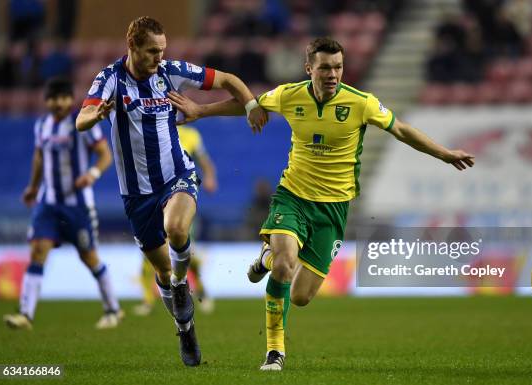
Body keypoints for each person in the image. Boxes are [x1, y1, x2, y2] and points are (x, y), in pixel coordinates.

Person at [168, 37, 475, 371]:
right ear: (309, 68)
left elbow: (400, 129)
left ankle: (266, 259)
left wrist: (444, 154)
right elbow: (250, 106)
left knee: (300, 296)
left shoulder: (362, 103)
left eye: (338, 67)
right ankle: (275, 350)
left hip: (333, 209)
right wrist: (201, 110)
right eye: (325, 67)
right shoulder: (289, 95)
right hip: (293, 196)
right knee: (286, 263)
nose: (333, 74)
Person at [75, 16, 267, 366]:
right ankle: (185, 328)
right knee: (160, 272)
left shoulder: (171, 71)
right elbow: (81, 119)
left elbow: (227, 80)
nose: (158, 58)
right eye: (151, 51)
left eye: (162, 50)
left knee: (177, 229)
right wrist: (98, 115)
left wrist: (251, 105)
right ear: (131, 46)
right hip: (136, 194)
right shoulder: (109, 79)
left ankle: (182, 283)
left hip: (176, 174)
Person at [3, 77, 120, 330]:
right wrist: (33, 187)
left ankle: (113, 309)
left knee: (89, 257)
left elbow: (104, 155)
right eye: (53, 98)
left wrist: (92, 174)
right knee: (37, 251)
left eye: (63, 98)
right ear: (46, 101)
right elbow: (38, 157)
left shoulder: (82, 123)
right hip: (48, 202)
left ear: (70, 99)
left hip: (77, 205)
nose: (59, 103)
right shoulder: (42, 126)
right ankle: (26, 314)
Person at [134, 124, 218, 317]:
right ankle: (147, 301)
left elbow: (205, 161)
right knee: (150, 254)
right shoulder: (151, 130)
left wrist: (210, 177)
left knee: (185, 250)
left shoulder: (191, 135)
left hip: (181, 199)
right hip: (155, 197)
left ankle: (202, 292)